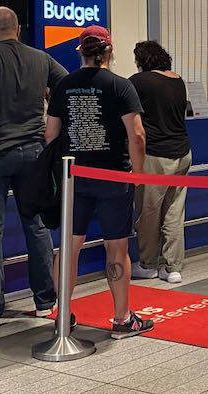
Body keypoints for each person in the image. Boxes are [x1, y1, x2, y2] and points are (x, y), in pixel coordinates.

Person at [45, 25, 154, 340]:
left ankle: (62, 317)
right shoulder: (121, 86)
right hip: (114, 179)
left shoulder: (64, 85)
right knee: (116, 248)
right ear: (109, 51)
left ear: (80, 51)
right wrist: (138, 174)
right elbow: (137, 135)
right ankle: (121, 319)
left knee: (69, 247)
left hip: (74, 179)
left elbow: (50, 135)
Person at [0, 7, 66, 328]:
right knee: (36, 227)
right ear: (18, 28)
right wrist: (51, 127)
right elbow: (67, 88)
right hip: (34, 153)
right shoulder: (41, 58)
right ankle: (45, 301)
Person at [128, 40, 192, 284]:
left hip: (156, 156)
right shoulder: (178, 80)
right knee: (175, 212)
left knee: (149, 212)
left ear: (143, 60)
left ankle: (148, 264)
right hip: (183, 153)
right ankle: (173, 268)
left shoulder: (139, 81)